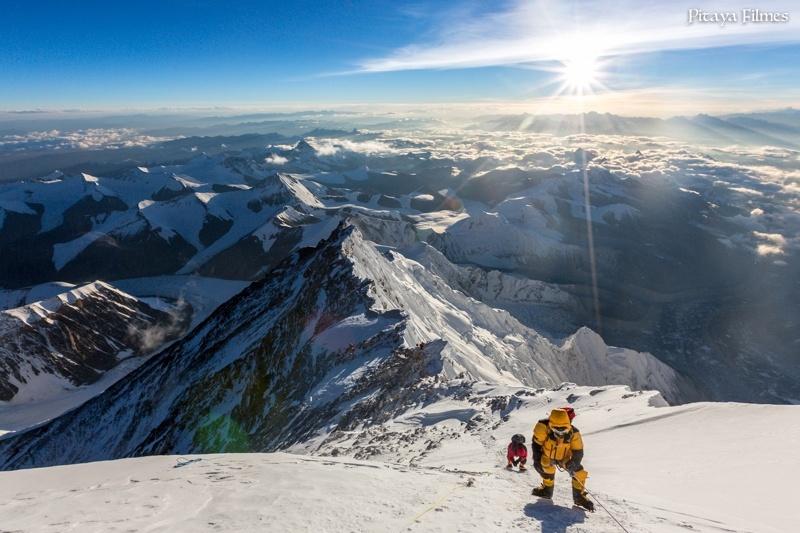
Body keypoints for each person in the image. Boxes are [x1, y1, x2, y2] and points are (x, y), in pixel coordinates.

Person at [530, 408, 594, 511]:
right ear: (551, 426)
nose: (560, 432)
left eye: (564, 429)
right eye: (556, 429)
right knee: (545, 468)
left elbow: (578, 451)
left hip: (564, 458)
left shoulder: (574, 433)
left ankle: (579, 497)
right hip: (547, 456)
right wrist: (537, 460)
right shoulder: (542, 427)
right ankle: (547, 490)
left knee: (578, 471)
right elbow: (536, 444)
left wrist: (574, 463)